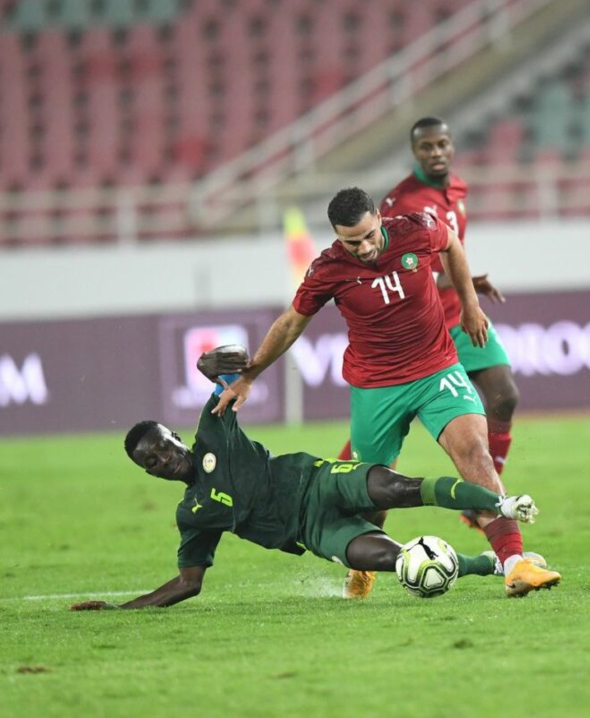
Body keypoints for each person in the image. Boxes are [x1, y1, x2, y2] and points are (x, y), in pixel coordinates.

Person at [209, 188, 561, 600]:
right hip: (376, 387)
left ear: (379, 218)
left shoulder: (417, 230)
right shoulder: (328, 269)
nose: (363, 248)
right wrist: (250, 375)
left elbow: (451, 244)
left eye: (368, 236)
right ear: (337, 237)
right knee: (372, 495)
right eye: (350, 242)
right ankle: (362, 566)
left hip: (437, 370)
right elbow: (291, 323)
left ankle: (515, 563)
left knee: (474, 453)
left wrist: (469, 305)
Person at [69, 345, 551, 612]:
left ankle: (502, 505)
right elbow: (187, 583)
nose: (163, 460)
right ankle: (490, 565)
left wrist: (209, 364)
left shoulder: (212, 429)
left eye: (162, 447)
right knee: (400, 562)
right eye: (151, 462)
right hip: (314, 530)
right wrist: (120, 610)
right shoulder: (193, 514)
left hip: (319, 479)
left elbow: (236, 365)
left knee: (399, 489)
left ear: (174, 437)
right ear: (149, 473)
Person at [337, 117, 520, 530]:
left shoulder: (457, 189)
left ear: (451, 146)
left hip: (458, 313)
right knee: (380, 435)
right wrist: (461, 282)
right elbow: (400, 271)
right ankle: (342, 487)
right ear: (414, 151)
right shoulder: (402, 204)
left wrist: (468, 288)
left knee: (504, 395)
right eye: (426, 147)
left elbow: (451, 252)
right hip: (419, 327)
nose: (436, 152)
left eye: (442, 144)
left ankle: (485, 496)